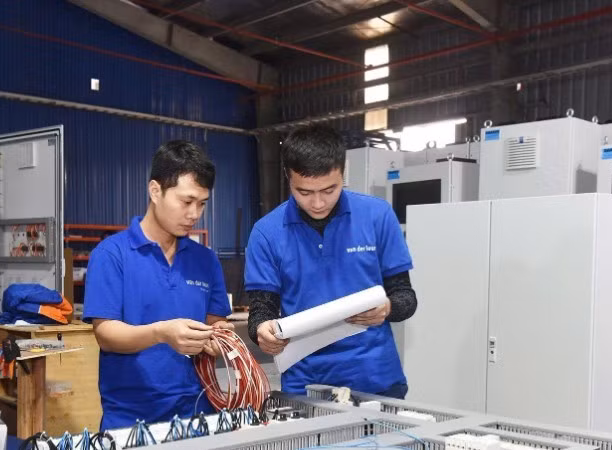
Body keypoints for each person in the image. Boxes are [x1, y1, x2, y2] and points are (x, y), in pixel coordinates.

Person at [245, 125, 417, 398]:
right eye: (304, 192)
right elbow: (261, 311)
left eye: (329, 190)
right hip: (306, 385)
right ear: (288, 178)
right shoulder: (267, 233)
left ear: (342, 171)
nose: (317, 203)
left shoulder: (377, 216)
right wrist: (261, 331)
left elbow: (406, 297)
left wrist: (387, 308)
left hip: (376, 377)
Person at [83, 140, 233, 430]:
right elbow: (106, 334)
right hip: (131, 417)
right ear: (155, 191)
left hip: (198, 412)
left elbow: (216, 323)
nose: (195, 214)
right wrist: (161, 333)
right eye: (186, 201)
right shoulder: (112, 255)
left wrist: (219, 338)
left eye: (202, 203)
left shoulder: (206, 260)